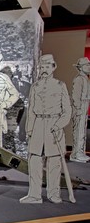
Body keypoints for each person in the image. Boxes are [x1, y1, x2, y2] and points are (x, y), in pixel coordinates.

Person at [20, 54, 72, 204]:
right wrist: (29, 129)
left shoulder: (60, 85)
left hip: (53, 125)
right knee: (34, 160)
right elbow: (30, 110)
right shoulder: (35, 86)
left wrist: (58, 125)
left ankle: (53, 194)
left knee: (54, 161)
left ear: (53, 67)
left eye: (47, 67)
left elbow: (67, 111)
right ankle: (34, 195)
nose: (44, 70)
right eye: (42, 67)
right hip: (38, 124)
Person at [70, 57, 90, 163]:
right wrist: (77, 108)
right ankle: (77, 153)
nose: (89, 67)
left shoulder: (85, 79)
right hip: (80, 107)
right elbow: (75, 95)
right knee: (79, 131)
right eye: (87, 65)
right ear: (81, 68)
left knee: (82, 130)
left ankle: (79, 152)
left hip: (84, 106)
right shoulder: (79, 79)